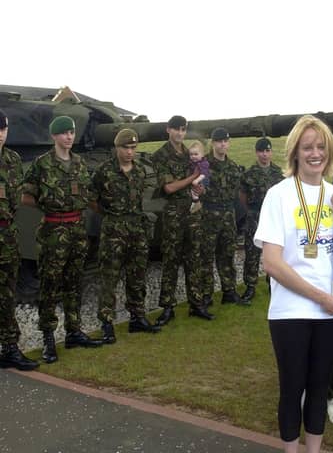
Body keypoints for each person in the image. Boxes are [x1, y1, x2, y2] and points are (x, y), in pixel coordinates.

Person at [254, 114, 333, 453]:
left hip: (331, 312)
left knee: (320, 386)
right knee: (292, 387)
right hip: (290, 311)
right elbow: (272, 262)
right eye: (307, 147)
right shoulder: (277, 195)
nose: (315, 153)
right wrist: (318, 296)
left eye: (321, 146)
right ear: (295, 152)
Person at [22, 116, 103, 363]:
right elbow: (26, 196)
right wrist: (49, 208)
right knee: (49, 286)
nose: (69, 136)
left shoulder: (79, 164)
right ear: (54, 136)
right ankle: (48, 339)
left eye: (72, 132)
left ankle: (74, 331)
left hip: (76, 229)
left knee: (74, 282)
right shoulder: (42, 164)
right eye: (64, 133)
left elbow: (88, 194)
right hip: (54, 231)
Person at [89, 128, 160, 344]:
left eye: (133, 148)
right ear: (116, 148)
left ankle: (137, 317)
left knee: (137, 275)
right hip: (114, 230)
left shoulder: (139, 171)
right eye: (125, 148)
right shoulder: (104, 171)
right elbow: (91, 199)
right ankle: (107, 323)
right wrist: (109, 214)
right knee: (109, 278)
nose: (130, 152)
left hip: (137, 228)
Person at [152, 115, 212, 325]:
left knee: (193, 258)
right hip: (173, 214)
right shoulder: (160, 155)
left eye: (183, 129)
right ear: (168, 130)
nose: (180, 133)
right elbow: (168, 188)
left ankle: (196, 304)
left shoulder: (190, 154)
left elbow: (198, 183)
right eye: (176, 129)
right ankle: (167, 308)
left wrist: (199, 186)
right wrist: (191, 177)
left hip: (191, 211)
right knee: (171, 259)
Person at [0, 109, 39, 371]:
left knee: (6, 294)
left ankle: (9, 349)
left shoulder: (12, 159)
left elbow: (18, 196)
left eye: (2, 129)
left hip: (6, 234)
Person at [200, 127, 248, 306]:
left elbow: (237, 193)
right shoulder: (203, 165)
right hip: (209, 216)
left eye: (225, 141)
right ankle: (206, 295)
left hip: (228, 216)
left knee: (227, 255)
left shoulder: (233, 167)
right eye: (219, 141)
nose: (222, 144)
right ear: (213, 143)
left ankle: (229, 291)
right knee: (206, 257)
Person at [239, 137, 284, 302]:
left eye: (267, 151)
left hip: (274, 219)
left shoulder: (279, 173)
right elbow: (242, 197)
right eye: (261, 151)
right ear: (256, 153)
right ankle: (250, 287)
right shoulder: (249, 174)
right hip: (255, 216)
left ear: (271, 152)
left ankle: (272, 281)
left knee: (274, 251)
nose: (264, 155)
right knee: (252, 253)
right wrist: (252, 212)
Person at [187, 140, 210, 214]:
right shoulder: (193, 162)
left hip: (203, 179)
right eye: (191, 154)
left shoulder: (203, 163)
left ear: (202, 155)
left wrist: (196, 180)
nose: (193, 156)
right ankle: (196, 202)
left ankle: (196, 202)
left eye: (196, 154)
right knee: (192, 190)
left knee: (195, 190)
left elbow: (204, 174)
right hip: (196, 179)